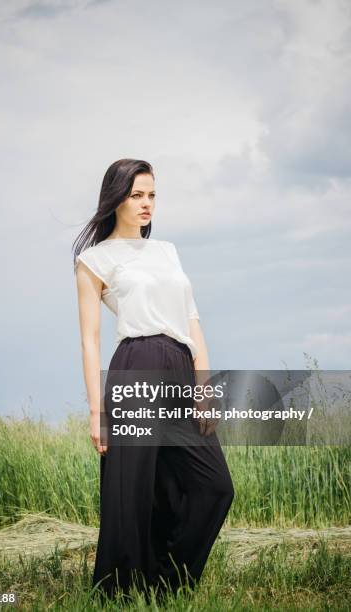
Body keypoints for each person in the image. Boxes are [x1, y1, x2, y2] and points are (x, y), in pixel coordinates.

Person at [73, 158, 234, 600]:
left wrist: (203, 386)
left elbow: (193, 319)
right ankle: (121, 593)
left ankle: (166, 581)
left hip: (181, 366)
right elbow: (90, 340)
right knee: (132, 492)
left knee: (215, 486)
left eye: (152, 195)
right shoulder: (94, 260)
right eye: (137, 195)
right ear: (116, 199)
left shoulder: (167, 251)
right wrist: (97, 412)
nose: (147, 204)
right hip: (137, 364)